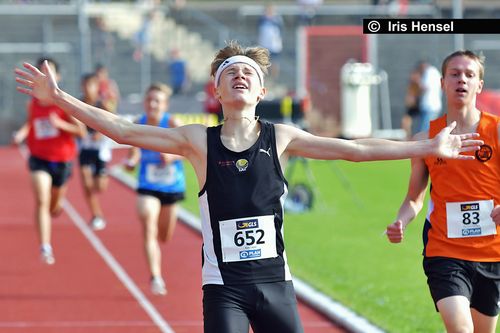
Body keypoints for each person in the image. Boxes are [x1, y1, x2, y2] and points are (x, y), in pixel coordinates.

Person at [15, 41, 483, 332]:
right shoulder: (196, 141)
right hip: (226, 290)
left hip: (276, 284)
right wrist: (59, 99)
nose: (240, 77)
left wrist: (426, 145)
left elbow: (353, 150)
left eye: (250, 74)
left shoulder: (281, 138)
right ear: (217, 94)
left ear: (260, 93)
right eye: (229, 74)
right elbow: (122, 129)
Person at [385, 50, 500, 333]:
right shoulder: (425, 139)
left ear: (479, 86)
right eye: (455, 74)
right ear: (442, 83)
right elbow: (414, 198)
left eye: (469, 75)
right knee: (461, 329)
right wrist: (402, 220)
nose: (462, 80)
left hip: (492, 252)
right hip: (445, 250)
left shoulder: (496, 131)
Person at [12, 57, 85, 265]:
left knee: (53, 206)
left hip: (62, 159)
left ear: (57, 77)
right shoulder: (32, 103)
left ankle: (57, 204)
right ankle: (45, 245)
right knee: (41, 200)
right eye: (42, 72)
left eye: (50, 73)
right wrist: (21, 134)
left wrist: (60, 124)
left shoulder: (65, 102)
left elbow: (80, 131)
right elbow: (30, 124)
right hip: (39, 158)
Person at [124, 83, 185, 296]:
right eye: (149, 100)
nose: (152, 104)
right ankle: (155, 276)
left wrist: (171, 157)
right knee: (148, 224)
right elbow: (133, 154)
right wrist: (131, 162)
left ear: (165, 104)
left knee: (165, 236)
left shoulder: (172, 123)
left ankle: (156, 268)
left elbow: (188, 152)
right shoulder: (138, 124)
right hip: (147, 186)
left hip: (171, 186)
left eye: (157, 101)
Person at [78, 73, 114, 231]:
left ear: (96, 87)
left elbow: (113, 122)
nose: (87, 89)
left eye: (90, 85)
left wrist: (100, 133)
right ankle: (96, 215)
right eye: (85, 85)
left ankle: (99, 176)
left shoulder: (102, 104)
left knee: (100, 187)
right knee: (86, 183)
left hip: (100, 150)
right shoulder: (78, 103)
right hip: (84, 148)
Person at [257, 4, 283, 80]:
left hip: (274, 45)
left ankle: (274, 79)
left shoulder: (277, 19)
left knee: (275, 62)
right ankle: (265, 78)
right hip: (264, 44)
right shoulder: (262, 20)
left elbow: (280, 31)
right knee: (263, 62)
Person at [417, 59, 442, 132]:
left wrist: (418, 81)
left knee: (424, 131)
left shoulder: (428, 72)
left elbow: (425, 87)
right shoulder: (435, 72)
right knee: (429, 130)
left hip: (429, 106)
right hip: (435, 105)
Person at [401, 64, 422, 139]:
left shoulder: (418, 85)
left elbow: (415, 95)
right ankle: (408, 136)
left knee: (406, 121)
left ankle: (409, 136)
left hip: (416, 106)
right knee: (405, 121)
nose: (411, 77)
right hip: (412, 106)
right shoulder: (412, 84)